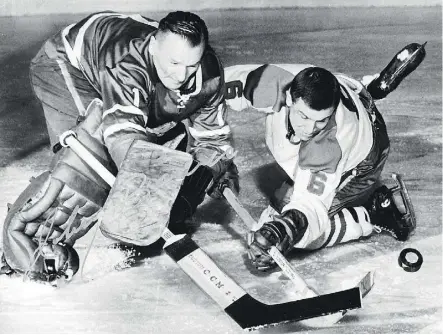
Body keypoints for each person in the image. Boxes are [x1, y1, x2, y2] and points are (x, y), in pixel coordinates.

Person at [0, 11, 239, 284]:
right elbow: (123, 139)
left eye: (191, 65)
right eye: (173, 62)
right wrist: (152, 192)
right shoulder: (127, 62)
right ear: (153, 46)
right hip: (69, 66)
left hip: (128, 82)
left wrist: (210, 171)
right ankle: (17, 240)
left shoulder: (208, 72)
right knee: (91, 153)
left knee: (167, 145)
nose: (181, 74)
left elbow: (213, 140)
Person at [223, 62, 418, 271]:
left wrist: (287, 227)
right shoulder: (273, 82)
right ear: (289, 97)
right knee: (283, 205)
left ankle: (372, 213)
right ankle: (367, 90)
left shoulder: (328, 146)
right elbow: (213, 85)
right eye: (303, 116)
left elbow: (311, 207)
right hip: (348, 96)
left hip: (364, 159)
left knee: (290, 229)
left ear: (332, 112)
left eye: (321, 121)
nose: (309, 129)